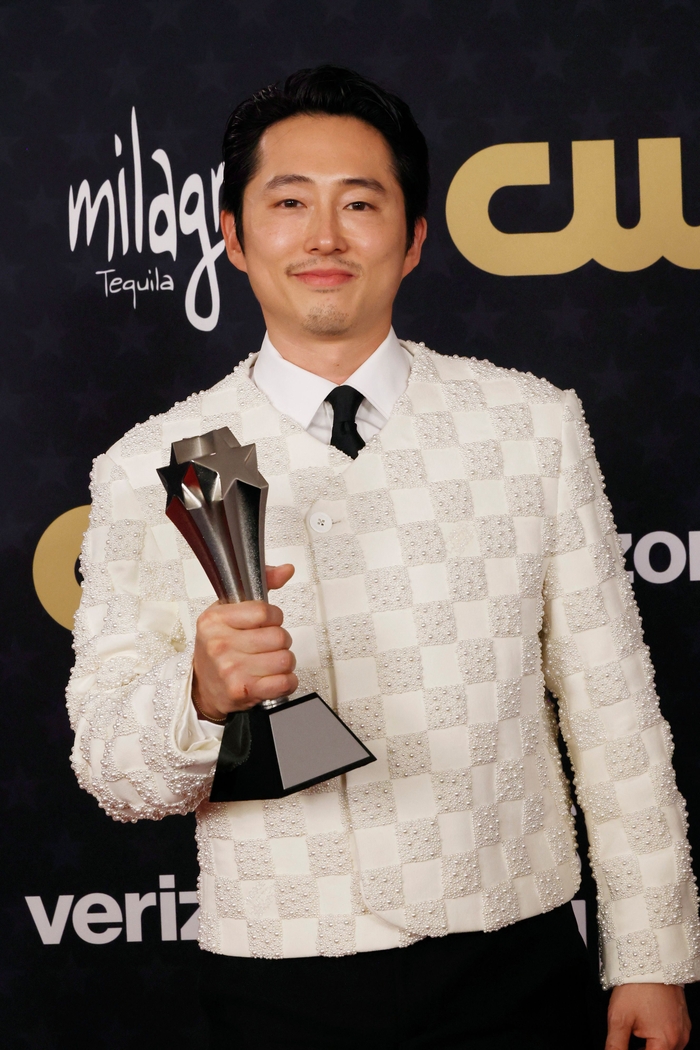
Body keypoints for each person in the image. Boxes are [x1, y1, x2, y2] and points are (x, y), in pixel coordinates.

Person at [67, 65, 695, 1049]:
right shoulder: (153, 463)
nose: (325, 236)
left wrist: (650, 956)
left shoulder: (531, 424)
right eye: (289, 203)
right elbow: (109, 768)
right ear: (233, 237)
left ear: (413, 240)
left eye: (360, 203)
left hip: (515, 954)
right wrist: (197, 695)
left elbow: (613, 713)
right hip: (276, 973)